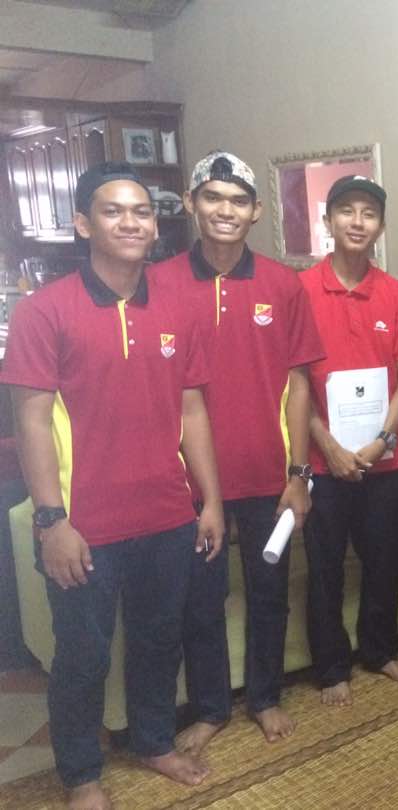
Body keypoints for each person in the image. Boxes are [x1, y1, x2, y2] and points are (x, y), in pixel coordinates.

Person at [0, 162, 225, 810]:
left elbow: (192, 411)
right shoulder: (45, 311)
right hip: (84, 525)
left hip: (167, 516)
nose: (131, 222)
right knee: (83, 656)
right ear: (82, 223)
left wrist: (209, 500)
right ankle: (82, 775)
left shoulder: (178, 308)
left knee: (158, 640)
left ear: (156, 225)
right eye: (113, 210)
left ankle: (153, 741)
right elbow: (31, 420)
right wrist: (52, 521)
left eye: (142, 211)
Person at [151, 151, 325, 749]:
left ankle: (265, 696)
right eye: (213, 197)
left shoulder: (282, 284)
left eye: (238, 200)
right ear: (192, 204)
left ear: (256, 212)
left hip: (267, 476)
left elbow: (300, 384)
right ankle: (210, 707)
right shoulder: (157, 283)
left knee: (269, 593)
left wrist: (299, 472)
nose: (225, 210)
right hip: (190, 484)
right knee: (201, 601)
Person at [300, 175, 398, 706]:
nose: (357, 221)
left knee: (384, 561)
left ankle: (379, 649)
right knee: (325, 567)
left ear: (380, 226)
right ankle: (331, 667)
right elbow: (293, 383)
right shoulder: (301, 290)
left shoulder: (395, 293)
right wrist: (327, 446)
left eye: (368, 213)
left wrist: (382, 440)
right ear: (329, 220)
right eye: (346, 211)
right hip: (321, 460)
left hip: (383, 461)